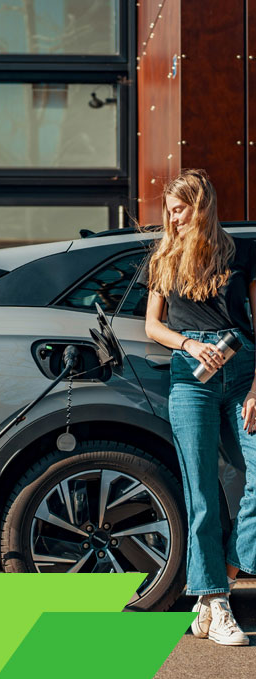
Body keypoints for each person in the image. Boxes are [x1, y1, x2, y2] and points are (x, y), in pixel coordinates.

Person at [143, 168, 256, 646]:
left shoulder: (241, 253)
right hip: (192, 379)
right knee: (202, 494)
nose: (172, 219)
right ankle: (216, 600)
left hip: (244, 375)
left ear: (202, 206)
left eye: (179, 209)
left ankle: (220, 583)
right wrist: (188, 344)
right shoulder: (164, 259)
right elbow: (153, 326)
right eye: (169, 212)